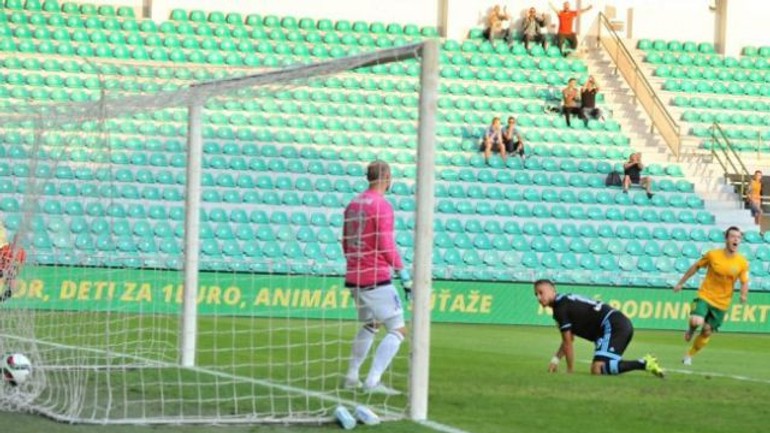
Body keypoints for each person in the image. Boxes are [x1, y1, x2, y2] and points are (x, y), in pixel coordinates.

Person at [342, 160, 412, 395]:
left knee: (371, 324)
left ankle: (351, 376)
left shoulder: (353, 204)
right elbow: (385, 243)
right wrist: (403, 273)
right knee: (399, 329)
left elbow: (345, 240)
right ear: (387, 177)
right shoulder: (382, 206)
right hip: (375, 275)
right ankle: (372, 381)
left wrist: (353, 263)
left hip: (354, 275)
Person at [534, 279, 664, 377]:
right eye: (536, 295)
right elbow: (569, 339)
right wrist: (555, 360)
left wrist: (570, 370)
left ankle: (644, 363)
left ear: (552, 289)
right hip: (614, 325)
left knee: (597, 368)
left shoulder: (560, 308)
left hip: (613, 324)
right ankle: (644, 363)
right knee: (600, 368)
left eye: (541, 292)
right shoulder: (563, 303)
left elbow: (568, 342)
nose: (539, 297)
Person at [673, 226, 749, 366]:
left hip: (722, 303)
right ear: (726, 239)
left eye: (738, 237)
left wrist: (743, 295)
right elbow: (696, 267)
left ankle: (689, 355)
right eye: (732, 236)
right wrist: (681, 283)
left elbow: (744, 281)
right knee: (696, 321)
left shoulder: (742, 262)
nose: (735, 239)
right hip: (706, 295)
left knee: (707, 331)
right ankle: (691, 328)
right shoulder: (713, 255)